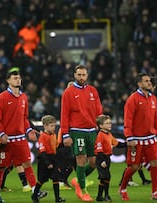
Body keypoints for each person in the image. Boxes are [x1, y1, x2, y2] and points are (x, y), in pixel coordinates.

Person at [0, 67, 44, 202]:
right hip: (7, 140)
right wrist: (2, 133)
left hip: (20, 139)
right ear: (8, 81)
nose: (18, 80)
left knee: (27, 164)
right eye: (14, 78)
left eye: (19, 78)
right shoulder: (1, 98)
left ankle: (35, 192)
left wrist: (28, 131)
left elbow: (24, 118)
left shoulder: (23, 97)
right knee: (2, 167)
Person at [119, 73, 157, 200]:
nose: (149, 83)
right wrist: (129, 137)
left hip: (151, 138)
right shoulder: (132, 99)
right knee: (134, 166)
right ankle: (122, 188)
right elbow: (127, 120)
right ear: (139, 84)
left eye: (149, 81)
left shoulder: (153, 98)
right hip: (136, 139)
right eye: (146, 81)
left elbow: (155, 119)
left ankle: (155, 192)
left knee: (156, 162)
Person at [60, 65, 102, 201]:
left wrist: (101, 127)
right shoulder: (68, 92)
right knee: (81, 159)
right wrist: (65, 134)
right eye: (79, 75)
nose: (81, 77)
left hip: (92, 131)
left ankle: (78, 179)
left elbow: (98, 111)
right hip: (77, 131)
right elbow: (64, 114)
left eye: (84, 75)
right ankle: (83, 191)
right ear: (74, 75)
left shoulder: (93, 91)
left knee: (95, 162)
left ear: (87, 75)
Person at [31, 115, 65, 203]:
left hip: (53, 158)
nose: (54, 128)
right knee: (41, 180)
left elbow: (56, 146)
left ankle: (57, 198)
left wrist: (63, 144)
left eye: (54, 125)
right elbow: (42, 151)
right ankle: (34, 195)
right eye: (51, 126)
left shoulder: (53, 135)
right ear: (45, 126)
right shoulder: (43, 137)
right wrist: (47, 162)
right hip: (45, 160)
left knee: (55, 178)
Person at [94, 115, 126, 202]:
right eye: (107, 123)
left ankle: (99, 196)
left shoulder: (108, 134)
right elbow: (99, 150)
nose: (110, 125)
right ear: (101, 126)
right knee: (107, 176)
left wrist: (127, 144)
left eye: (110, 123)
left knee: (103, 178)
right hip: (101, 158)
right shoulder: (100, 135)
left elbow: (117, 144)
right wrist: (102, 161)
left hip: (107, 158)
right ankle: (106, 195)